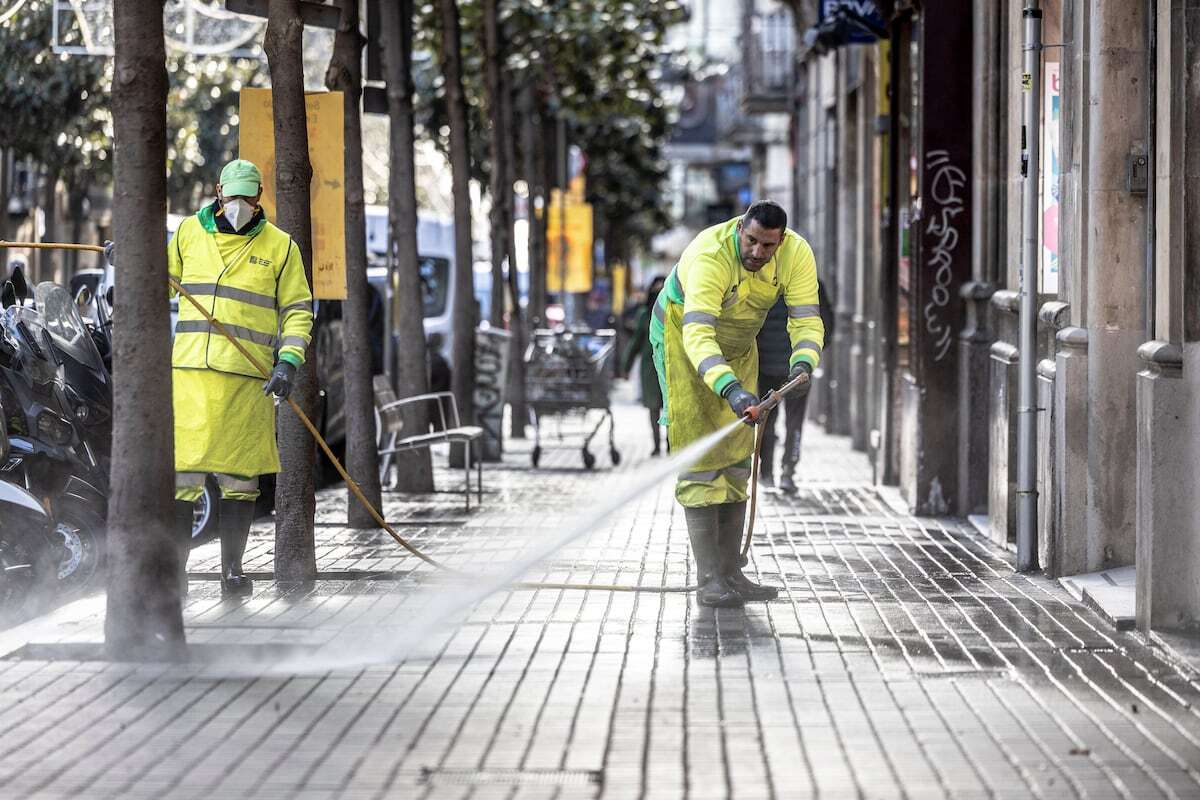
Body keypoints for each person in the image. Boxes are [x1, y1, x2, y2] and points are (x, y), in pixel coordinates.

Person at [109, 159, 314, 595]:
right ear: (218, 191)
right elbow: (158, 282)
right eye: (232, 195)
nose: (239, 204)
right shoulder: (188, 233)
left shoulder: (282, 247)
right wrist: (127, 262)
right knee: (184, 476)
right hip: (191, 376)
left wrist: (288, 363)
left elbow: (297, 309)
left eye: (248, 196)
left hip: (247, 378)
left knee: (241, 480)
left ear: (260, 197)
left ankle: (232, 572)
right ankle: (176, 573)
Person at [649, 200, 824, 608]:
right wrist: (730, 389)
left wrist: (804, 362)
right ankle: (710, 579)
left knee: (737, 456)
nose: (758, 253)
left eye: (768, 245)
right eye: (751, 241)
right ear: (740, 229)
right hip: (684, 342)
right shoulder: (710, 255)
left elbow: (806, 318)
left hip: (740, 347)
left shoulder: (796, 254)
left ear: (781, 240)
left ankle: (731, 573)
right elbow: (697, 335)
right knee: (701, 459)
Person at [755, 281, 834, 493]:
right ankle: (788, 471)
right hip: (799, 366)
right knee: (795, 422)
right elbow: (826, 323)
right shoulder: (811, 282)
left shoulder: (761, 281)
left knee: (767, 420)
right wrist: (811, 356)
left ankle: (766, 473)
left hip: (766, 365)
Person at [621, 275, 666, 455]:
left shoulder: (677, 311)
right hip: (649, 368)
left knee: (672, 407)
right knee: (653, 407)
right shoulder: (644, 315)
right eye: (655, 289)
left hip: (671, 367)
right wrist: (626, 366)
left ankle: (672, 445)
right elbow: (635, 343)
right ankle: (656, 446)